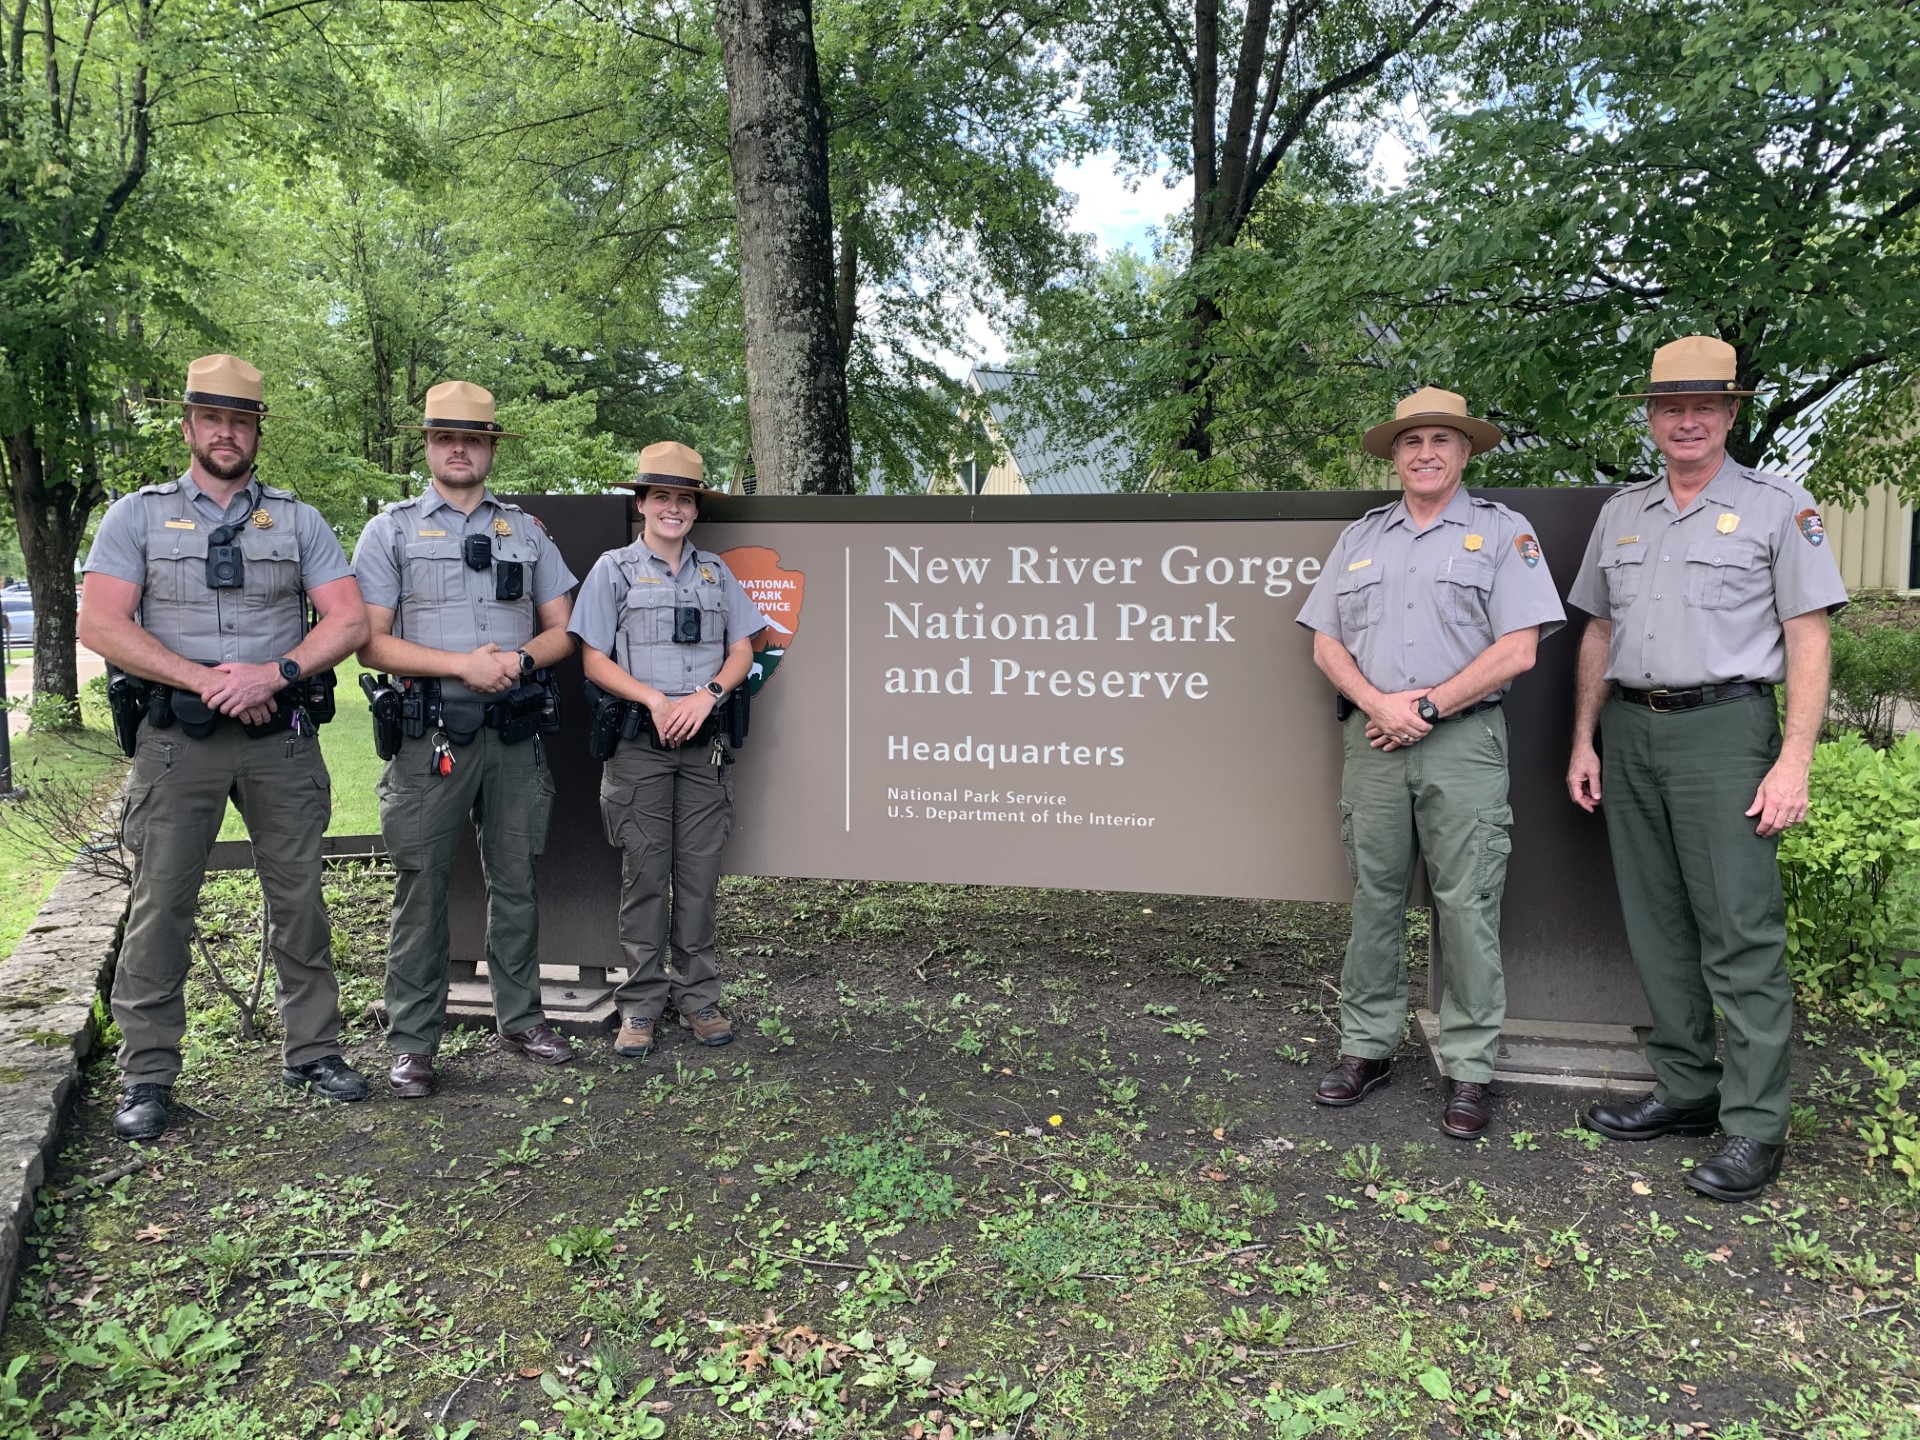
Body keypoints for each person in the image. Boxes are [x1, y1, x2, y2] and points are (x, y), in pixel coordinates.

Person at [1567, 335, 1847, 1202]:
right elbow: (1599, 632)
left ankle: (1756, 1124)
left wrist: (1793, 757)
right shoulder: (1623, 513)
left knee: (1740, 931)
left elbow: (1809, 635)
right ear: (1651, 419)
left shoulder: (1777, 507)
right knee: (1657, 924)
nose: (1687, 421)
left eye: (1705, 407)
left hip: (1726, 733)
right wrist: (1584, 738)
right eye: (1670, 407)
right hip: (1632, 730)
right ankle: (1688, 1090)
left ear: (1730, 414)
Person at [78, 354, 373, 1141]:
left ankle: (313, 1051)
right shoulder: (134, 518)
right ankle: (147, 1075)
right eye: (213, 419)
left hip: (280, 739)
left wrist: (274, 673)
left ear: (255, 432)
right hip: (179, 741)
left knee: (300, 903)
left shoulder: (299, 520)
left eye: (241, 421)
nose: (227, 433)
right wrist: (205, 679)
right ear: (189, 427)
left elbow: (347, 621)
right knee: (160, 908)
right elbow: (102, 624)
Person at [1296, 387, 1566, 1139]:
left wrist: (1426, 707)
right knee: (1375, 898)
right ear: (1394, 455)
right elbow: (1325, 643)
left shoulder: (1502, 534)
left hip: (1462, 744)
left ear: (1466, 451)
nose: (1425, 453)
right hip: (1374, 743)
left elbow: (1519, 647)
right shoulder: (1362, 538)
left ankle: (1471, 1068)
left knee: (1468, 902)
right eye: (1411, 442)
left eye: (1441, 440)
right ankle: (1367, 1048)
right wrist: (1381, 706)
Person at [351, 381, 580, 1097]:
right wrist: (461, 665)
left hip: (512, 733)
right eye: (446, 436)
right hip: (431, 733)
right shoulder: (388, 531)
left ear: (489, 448)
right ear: (426, 444)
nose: (459, 448)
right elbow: (370, 645)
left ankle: (522, 1017)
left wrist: (518, 661)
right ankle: (415, 1041)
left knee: (516, 881)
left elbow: (563, 627)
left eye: (473, 438)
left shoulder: (527, 531)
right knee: (422, 887)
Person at [567, 442, 767, 1059]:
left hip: (703, 747)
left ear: (695, 509)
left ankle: (699, 996)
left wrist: (707, 696)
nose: (673, 509)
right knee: (647, 875)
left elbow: (746, 645)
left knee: (700, 876)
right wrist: (656, 701)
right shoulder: (614, 570)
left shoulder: (716, 573)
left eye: (684, 499)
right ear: (642, 505)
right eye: (662, 497)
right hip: (640, 747)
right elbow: (593, 657)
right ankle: (643, 1005)